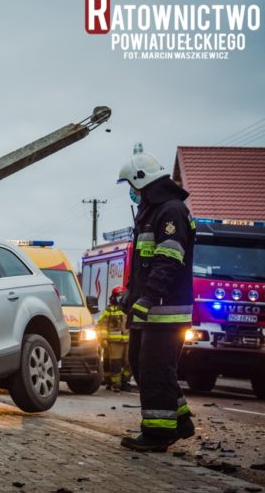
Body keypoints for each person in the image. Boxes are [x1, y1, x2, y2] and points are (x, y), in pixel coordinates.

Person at [117, 150, 196, 452]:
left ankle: (158, 434)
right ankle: (180, 420)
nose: (131, 192)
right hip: (149, 308)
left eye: (131, 185)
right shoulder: (152, 212)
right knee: (141, 365)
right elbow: (144, 262)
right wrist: (131, 294)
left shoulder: (171, 211)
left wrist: (148, 296)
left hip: (165, 310)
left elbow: (169, 259)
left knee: (155, 370)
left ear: (143, 180)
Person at [98, 285, 131, 392]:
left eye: (123, 295)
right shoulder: (109, 310)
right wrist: (104, 339)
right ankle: (116, 384)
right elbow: (102, 325)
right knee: (116, 364)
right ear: (113, 297)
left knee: (129, 362)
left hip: (128, 341)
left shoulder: (130, 308)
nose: (120, 298)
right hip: (114, 342)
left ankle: (125, 381)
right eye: (118, 296)